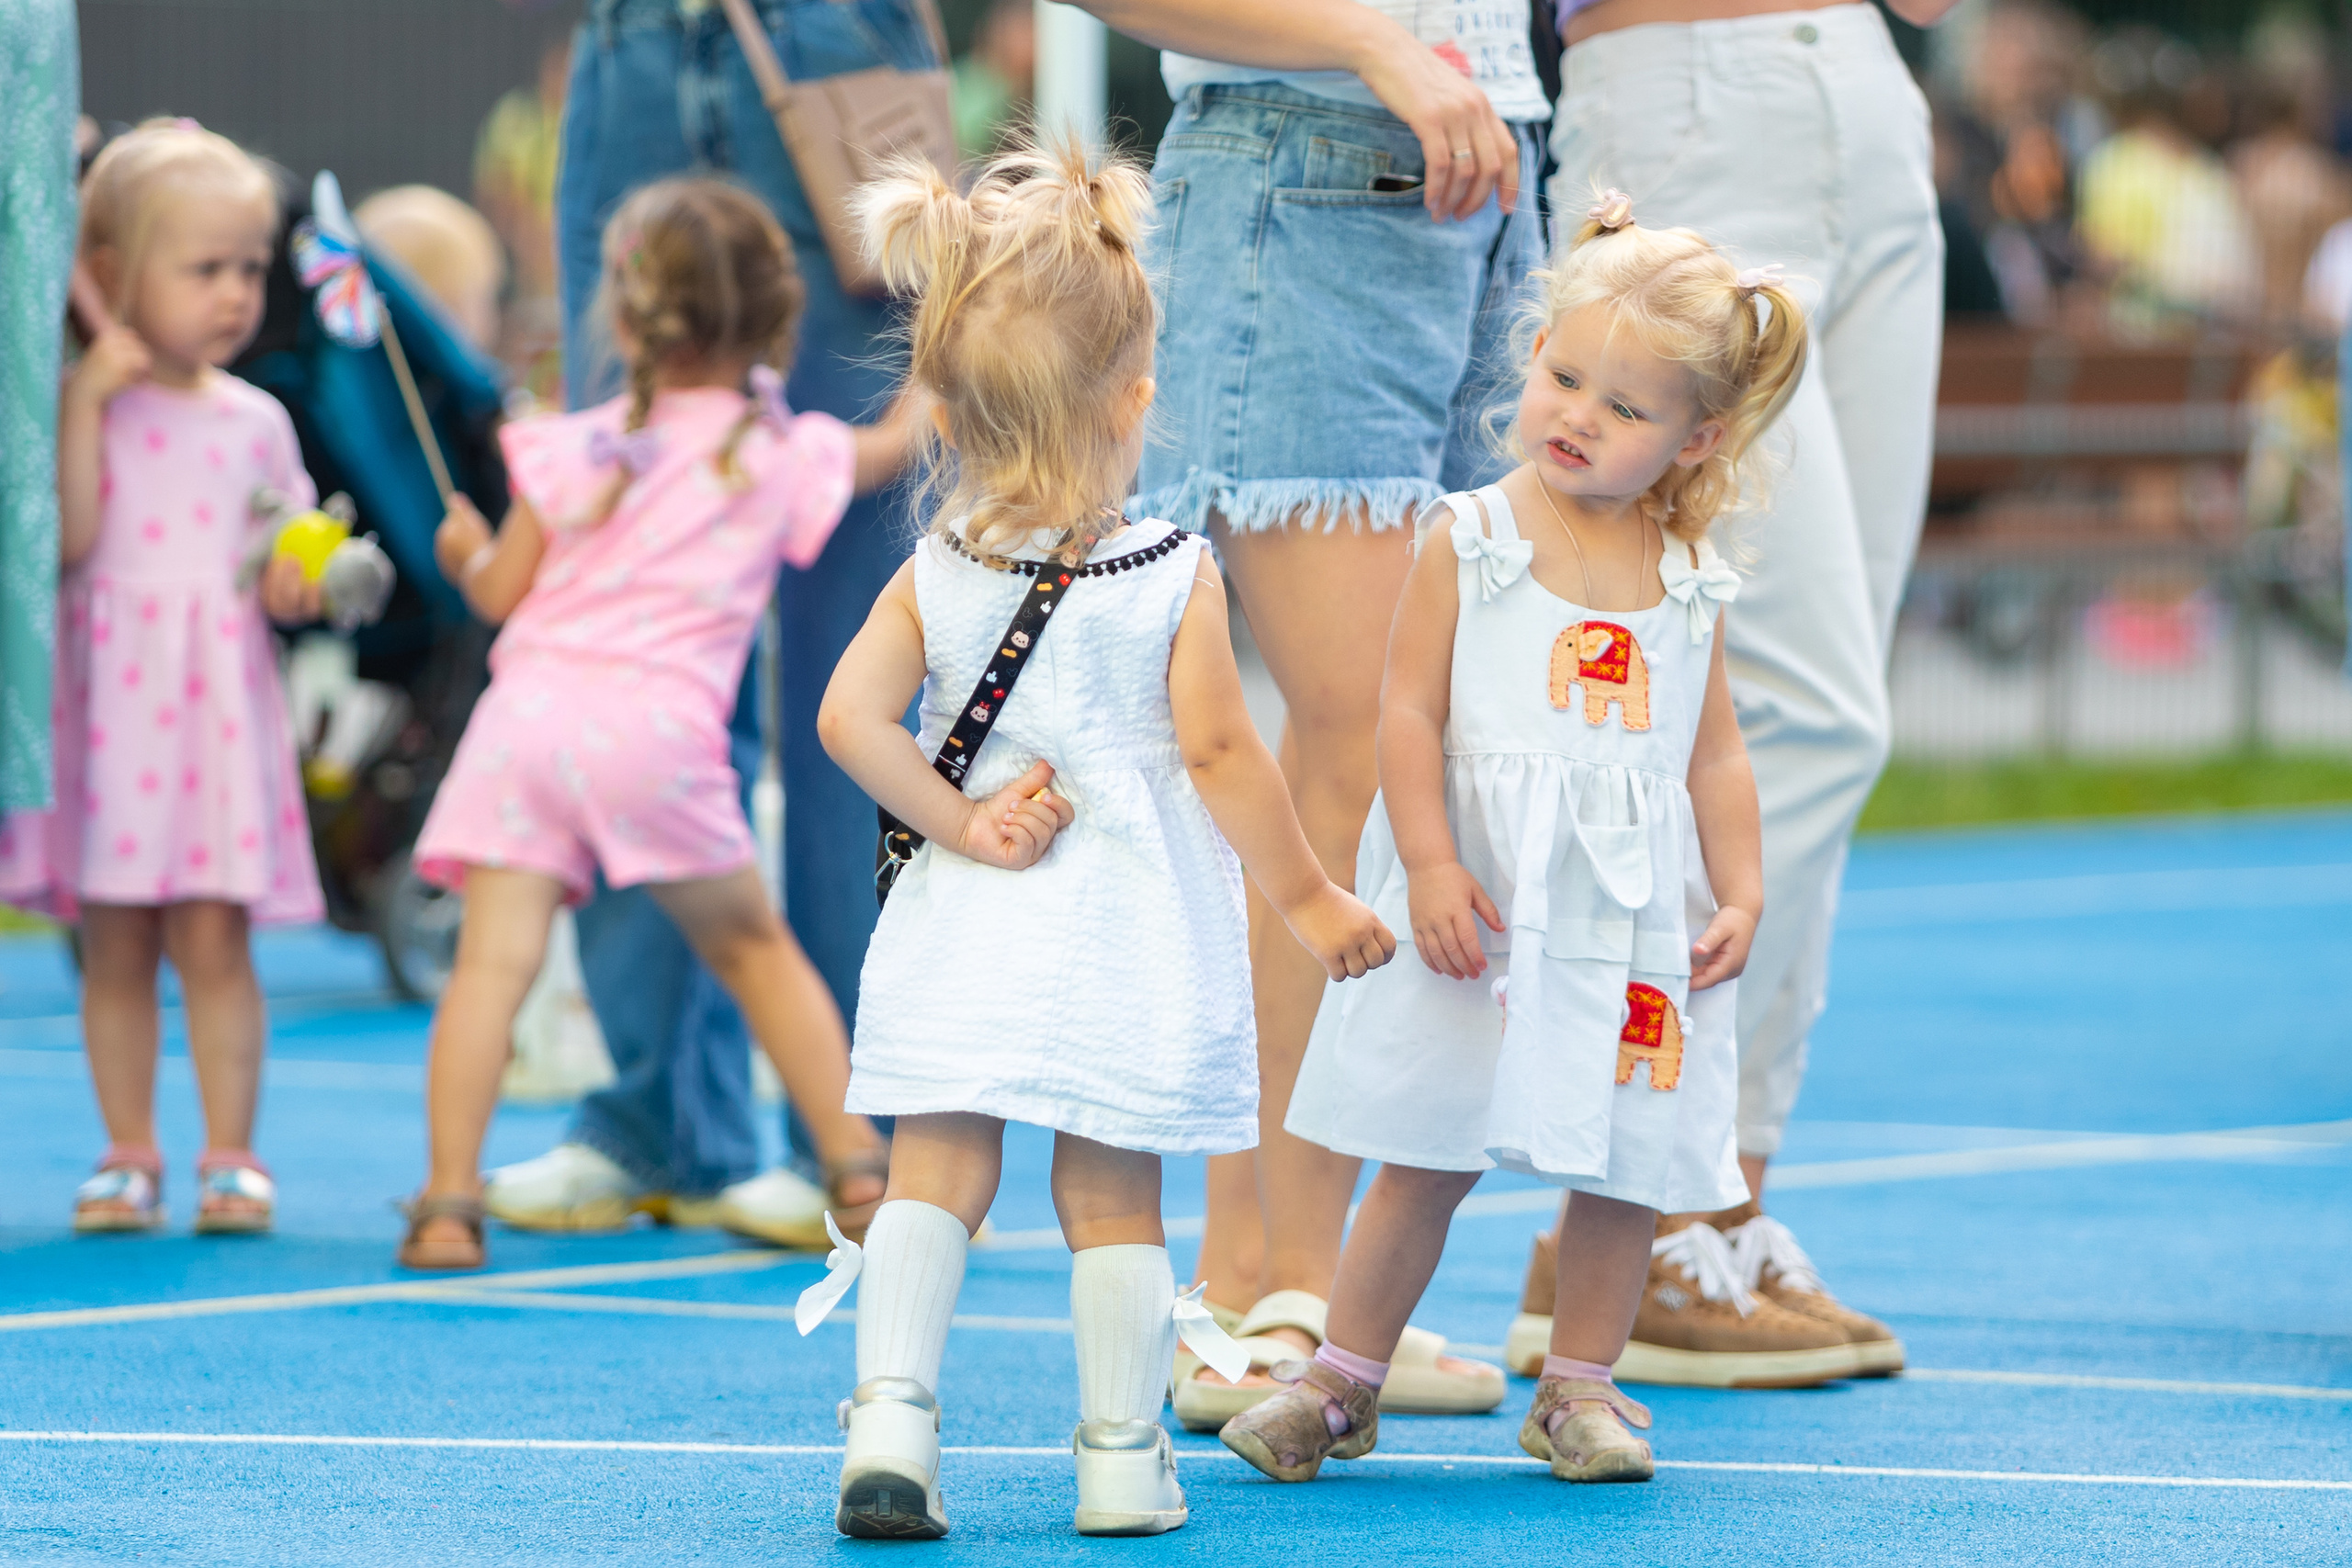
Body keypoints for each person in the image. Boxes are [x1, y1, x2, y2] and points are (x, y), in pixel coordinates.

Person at [803, 142, 1394, 1540]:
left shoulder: (937, 564)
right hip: (1120, 916)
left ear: (943, 404)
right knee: (1111, 1186)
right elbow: (1218, 752)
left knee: (935, 1164)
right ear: (1135, 401)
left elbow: (848, 719)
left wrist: (957, 818)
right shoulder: (1170, 570)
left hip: (972, 905)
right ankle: (1121, 1452)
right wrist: (1307, 895)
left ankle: (890, 1415)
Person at [1217, 195, 1818, 1488]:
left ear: (1697, 436)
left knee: (1621, 1163)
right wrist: (1429, 860)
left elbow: (1713, 752)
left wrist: (1746, 886)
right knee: (1426, 1148)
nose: (1576, 415)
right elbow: (1407, 711)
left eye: (1623, 406)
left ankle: (1581, 1388)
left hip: (1625, 917)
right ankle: (1343, 1377)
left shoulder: (1687, 575)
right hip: (1479, 904)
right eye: (1561, 376)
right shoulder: (1472, 536)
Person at [1065, 0, 1547, 1432]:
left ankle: (1308, 1281)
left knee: (1420, 746)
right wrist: (1374, 47)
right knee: (1344, 741)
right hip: (1312, 161)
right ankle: (1252, 1276)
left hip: (1487, 169)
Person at [1498, 0, 1963, 1385]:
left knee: (1809, 707)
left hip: (1869, 101)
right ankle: (1638, 1200)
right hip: (1686, 100)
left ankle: (1724, 1200)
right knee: (1810, 709)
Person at [482, 0, 944, 1246]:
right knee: (635, 604)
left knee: (860, 667)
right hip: (631, 46)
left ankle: (862, 1134)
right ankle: (655, 1117)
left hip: (833, 46)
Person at [394, 178, 912, 1271]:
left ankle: (447, 1203)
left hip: (525, 725)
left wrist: (460, 557)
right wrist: (933, 390)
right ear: (779, 321)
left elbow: (495, 593)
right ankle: (859, 1173)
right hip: (656, 738)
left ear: (622, 320)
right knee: (754, 951)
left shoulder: (572, 448)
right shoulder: (775, 453)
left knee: (492, 969)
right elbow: (891, 450)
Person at [0, 120, 326, 1235]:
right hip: (113, 727)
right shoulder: (75, 408)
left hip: (214, 728)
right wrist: (84, 401)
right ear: (104, 277)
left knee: (214, 943)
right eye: (206, 269)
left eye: (248, 267)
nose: (236, 294)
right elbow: (73, 542)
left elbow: (289, 552)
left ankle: (231, 1153)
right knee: (119, 946)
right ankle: (128, 1149)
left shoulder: (259, 420)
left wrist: (298, 578)